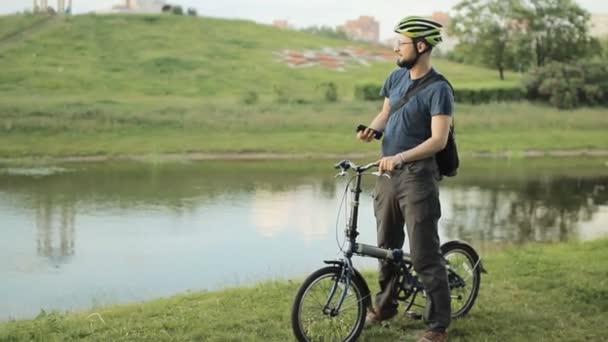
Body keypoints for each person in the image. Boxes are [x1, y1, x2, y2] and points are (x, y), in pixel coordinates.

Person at [357, 16, 453, 342]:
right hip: (387, 176)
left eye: (402, 41)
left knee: (424, 252)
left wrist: (399, 157)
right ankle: (385, 306)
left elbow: (438, 140)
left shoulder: (439, 89)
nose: (396, 46)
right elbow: (386, 112)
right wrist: (373, 129)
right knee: (386, 248)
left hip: (417, 178)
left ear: (421, 46)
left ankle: (437, 325)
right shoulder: (395, 77)